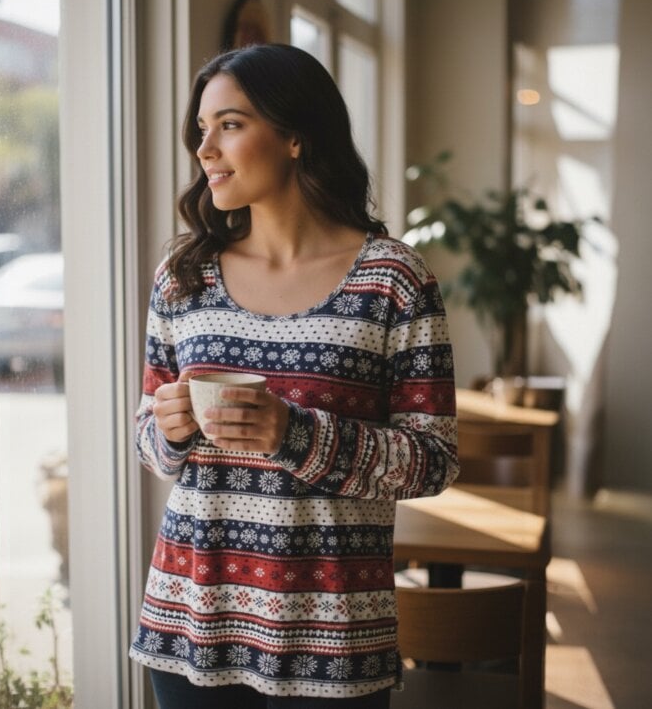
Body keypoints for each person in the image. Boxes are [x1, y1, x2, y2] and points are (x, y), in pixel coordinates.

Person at [129, 43, 459, 708]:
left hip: (333, 636)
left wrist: (295, 434)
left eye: (229, 124)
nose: (205, 149)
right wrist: (169, 427)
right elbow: (149, 443)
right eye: (202, 129)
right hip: (192, 621)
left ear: (295, 137)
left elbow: (434, 462)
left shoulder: (393, 279)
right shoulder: (183, 276)